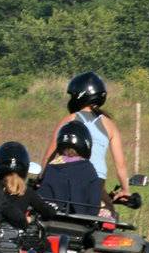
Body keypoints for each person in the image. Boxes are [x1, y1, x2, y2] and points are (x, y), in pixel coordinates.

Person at [42, 72, 130, 200]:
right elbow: (121, 165)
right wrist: (125, 189)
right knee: (106, 214)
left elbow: (48, 158)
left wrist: (41, 178)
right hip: (96, 181)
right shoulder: (110, 125)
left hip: (67, 175)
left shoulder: (70, 119)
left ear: (79, 96)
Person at [37, 122, 106, 213]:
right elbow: (94, 204)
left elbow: (42, 197)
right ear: (86, 143)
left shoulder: (51, 167)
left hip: (51, 219)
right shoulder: (89, 169)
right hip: (81, 222)